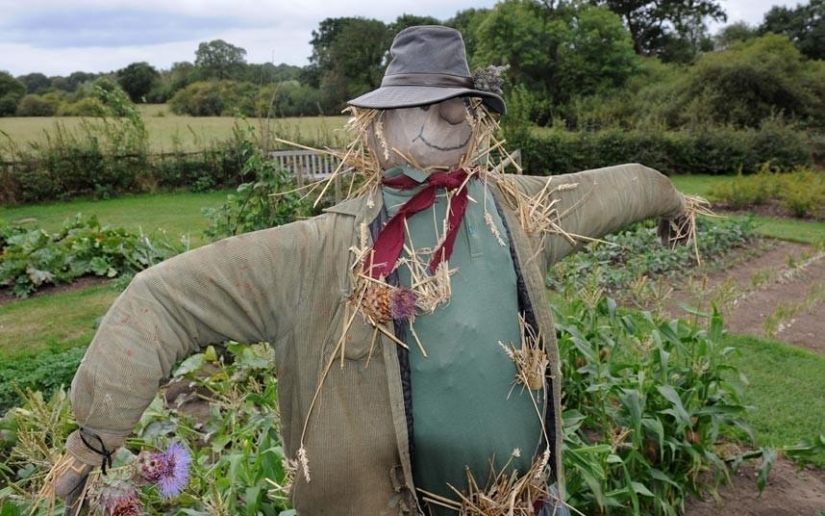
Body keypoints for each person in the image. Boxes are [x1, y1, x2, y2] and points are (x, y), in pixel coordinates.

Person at [52, 25, 692, 515]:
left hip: (526, 501)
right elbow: (162, 301)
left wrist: (673, 204)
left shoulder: (516, 212)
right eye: (430, 102)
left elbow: (622, 187)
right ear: (378, 125)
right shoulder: (314, 254)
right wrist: (93, 439)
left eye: (461, 102)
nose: (452, 116)